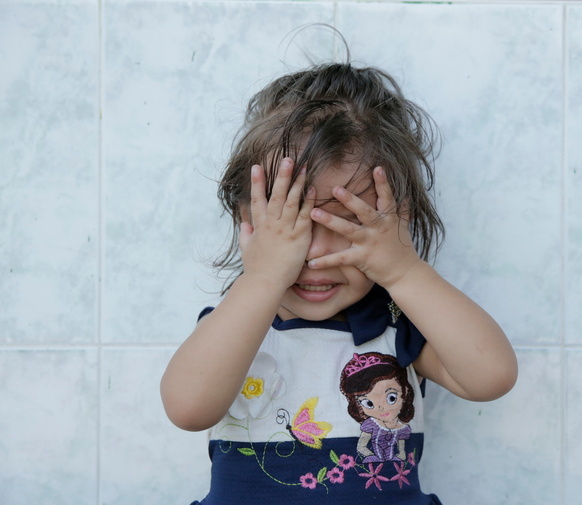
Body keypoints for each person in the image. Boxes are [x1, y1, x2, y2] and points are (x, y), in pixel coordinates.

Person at [160, 57, 518, 505]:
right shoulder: (236, 326)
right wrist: (263, 279)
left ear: (399, 224)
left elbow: (492, 376)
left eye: (350, 223)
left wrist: (404, 270)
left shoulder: (396, 326)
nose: (316, 254)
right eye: (291, 226)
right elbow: (188, 409)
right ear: (245, 220)